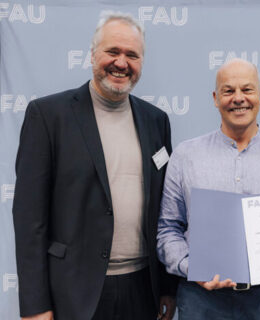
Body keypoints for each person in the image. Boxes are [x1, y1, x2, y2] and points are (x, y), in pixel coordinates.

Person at [13, 13, 177, 320]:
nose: (121, 62)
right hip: (74, 291)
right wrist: (35, 306)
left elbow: (164, 210)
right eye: (112, 52)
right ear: (92, 55)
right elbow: (29, 221)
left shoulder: (157, 122)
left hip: (143, 288)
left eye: (132, 55)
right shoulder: (48, 116)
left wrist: (167, 287)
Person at [157, 58, 260, 320]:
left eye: (247, 90)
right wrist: (191, 268)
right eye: (228, 91)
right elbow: (168, 228)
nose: (238, 98)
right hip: (200, 298)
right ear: (215, 98)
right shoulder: (185, 156)